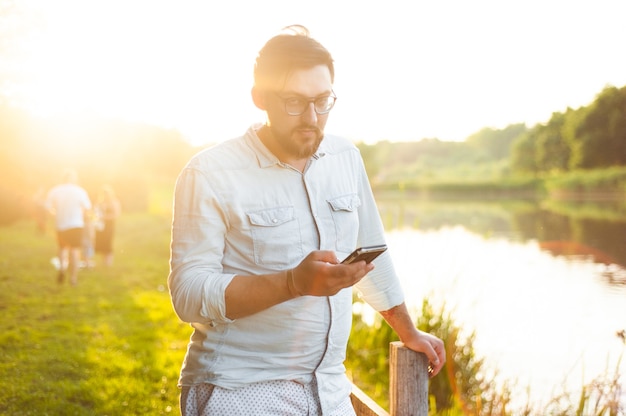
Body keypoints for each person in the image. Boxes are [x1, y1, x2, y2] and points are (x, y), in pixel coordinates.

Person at [168, 25, 446, 416]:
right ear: (259, 98)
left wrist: (408, 331)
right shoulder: (210, 172)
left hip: (330, 388)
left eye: (322, 100)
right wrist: (292, 283)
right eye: (294, 102)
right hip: (238, 389)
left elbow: (372, 256)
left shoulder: (345, 156)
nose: (312, 118)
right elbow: (189, 295)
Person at [45, 169, 92, 285]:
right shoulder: (80, 191)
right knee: (75, 251)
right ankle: (73, 279)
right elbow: (87, 208)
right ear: (74, 179)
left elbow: (47, 206)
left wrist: (54, 213)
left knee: (62, 249)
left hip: (61, 224)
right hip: (76, 224)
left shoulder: (56, 190)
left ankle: (62, 269)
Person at [94, 185, 121, 267]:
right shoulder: (100, 203)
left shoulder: (115, 202)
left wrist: (104, 217)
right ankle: (104, 261)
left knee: (108, 242)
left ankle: (108, 263)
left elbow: (116, 215)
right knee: (102, 243)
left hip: (109, 225)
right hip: (100, 226)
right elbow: (96, 213)